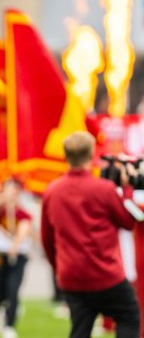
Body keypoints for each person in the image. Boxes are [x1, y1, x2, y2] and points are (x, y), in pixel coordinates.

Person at [41, 131, 140, 338]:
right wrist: (127, 189)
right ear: (91, 154)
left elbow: (47, 239)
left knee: (80, 327)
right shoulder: (103, 189)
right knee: (129, 315)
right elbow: (128, 222)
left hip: (71, 276)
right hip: (105, 274)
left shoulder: (52, 191)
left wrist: (59, 268)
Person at [0, 179, 32, 338]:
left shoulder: (23, 212)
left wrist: (15, 247)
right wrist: (4, 196)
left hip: (17, 256)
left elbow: (23, 230)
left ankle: (10, 325)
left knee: (13, 290)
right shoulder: (0, 210)